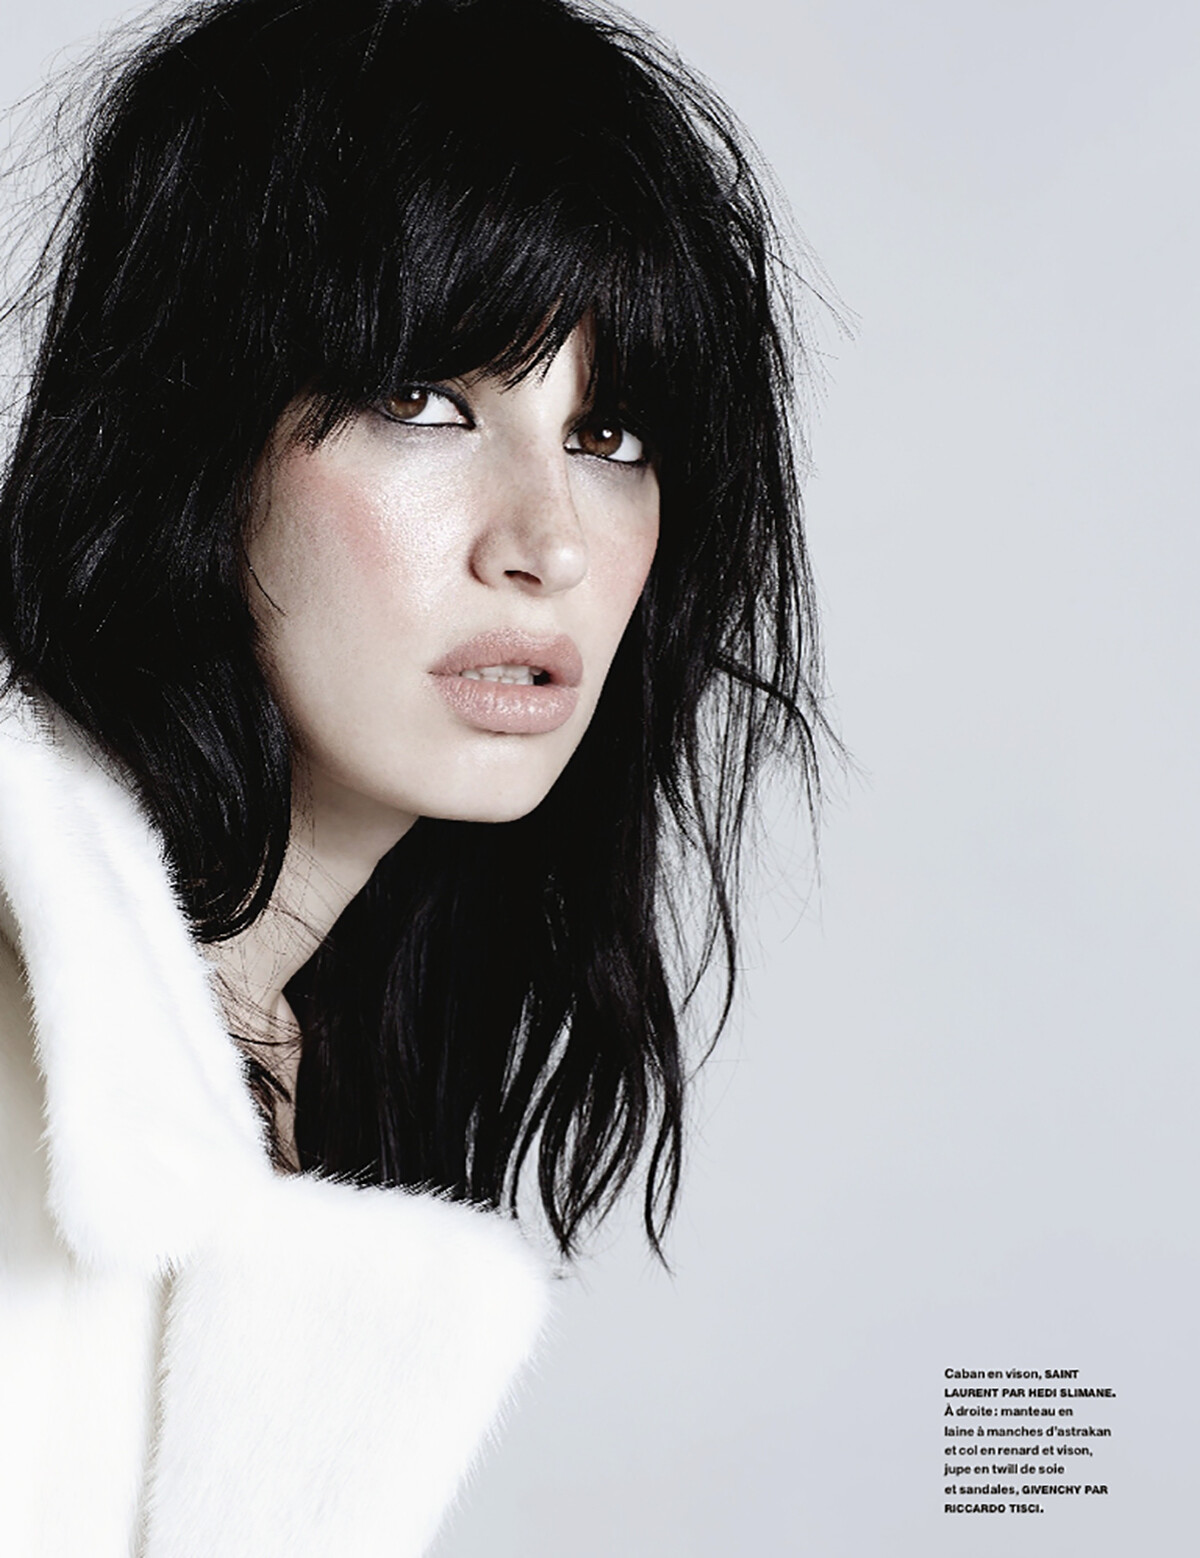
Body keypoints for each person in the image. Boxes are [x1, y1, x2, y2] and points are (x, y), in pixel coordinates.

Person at [0, 0, 826, 1552]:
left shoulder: (273, 1049)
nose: (548, 542)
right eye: (425, 402)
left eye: (610, 433)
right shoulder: (37, 1038)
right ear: (196, 432)